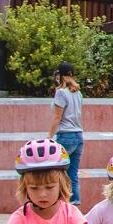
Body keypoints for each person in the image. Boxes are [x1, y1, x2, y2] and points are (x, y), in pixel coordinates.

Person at [49, 62, 84, 205]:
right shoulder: (78, 92)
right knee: (73, 173)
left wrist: (50, 137)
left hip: (65, 135)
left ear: (60, 75)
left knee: (56, 171)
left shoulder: (61, 93)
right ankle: (74, 203)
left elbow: (57, 116)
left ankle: (59, 202)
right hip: (78, 135)